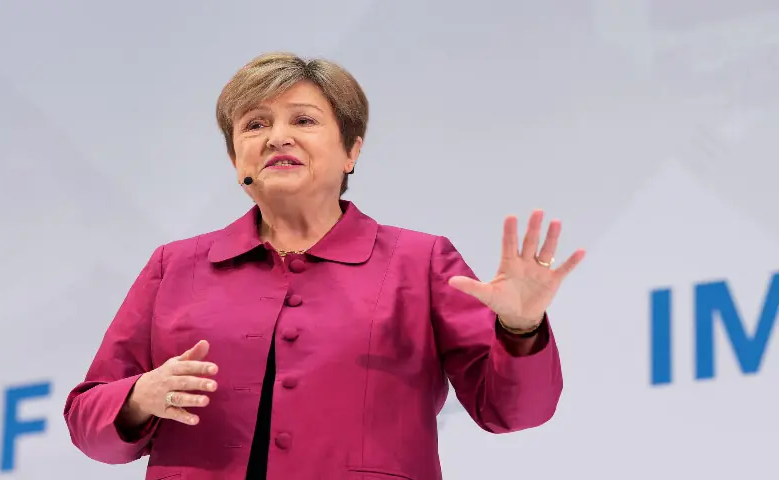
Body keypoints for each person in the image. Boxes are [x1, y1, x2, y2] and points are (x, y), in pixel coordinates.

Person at [63, 51, 585, 480]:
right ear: (235, 159)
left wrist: (521, 329)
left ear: (351, 150)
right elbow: (89, 426)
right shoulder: (175, 266)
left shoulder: (418, 261)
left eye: (304, 120)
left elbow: (513, 412)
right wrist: (138, 397)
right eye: (254, 125)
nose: (276, 137)